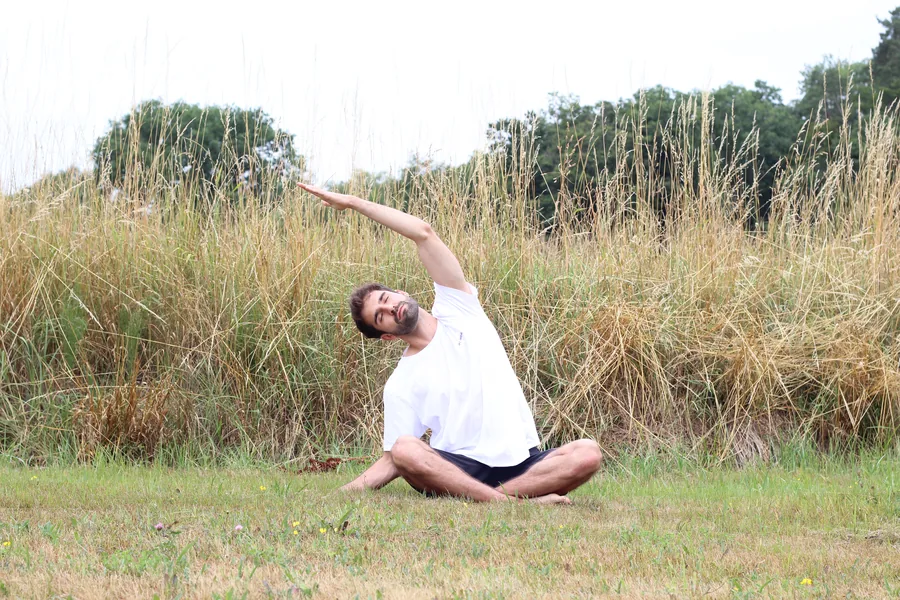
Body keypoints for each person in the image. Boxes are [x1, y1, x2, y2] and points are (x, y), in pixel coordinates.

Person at [299, 182, 603, 504]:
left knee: (587, 453)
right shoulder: (401, 384)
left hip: (523, 463)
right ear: (387, 335)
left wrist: (353, 202)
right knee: (405, 448)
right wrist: (339, 494)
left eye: (386, 299)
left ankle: (493, 499)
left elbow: (423, 233)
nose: (389, 309)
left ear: (401, 292)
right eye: (381, 317)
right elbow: (392, 461)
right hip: (458, 469)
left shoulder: (459, 307)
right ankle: (506, 503)